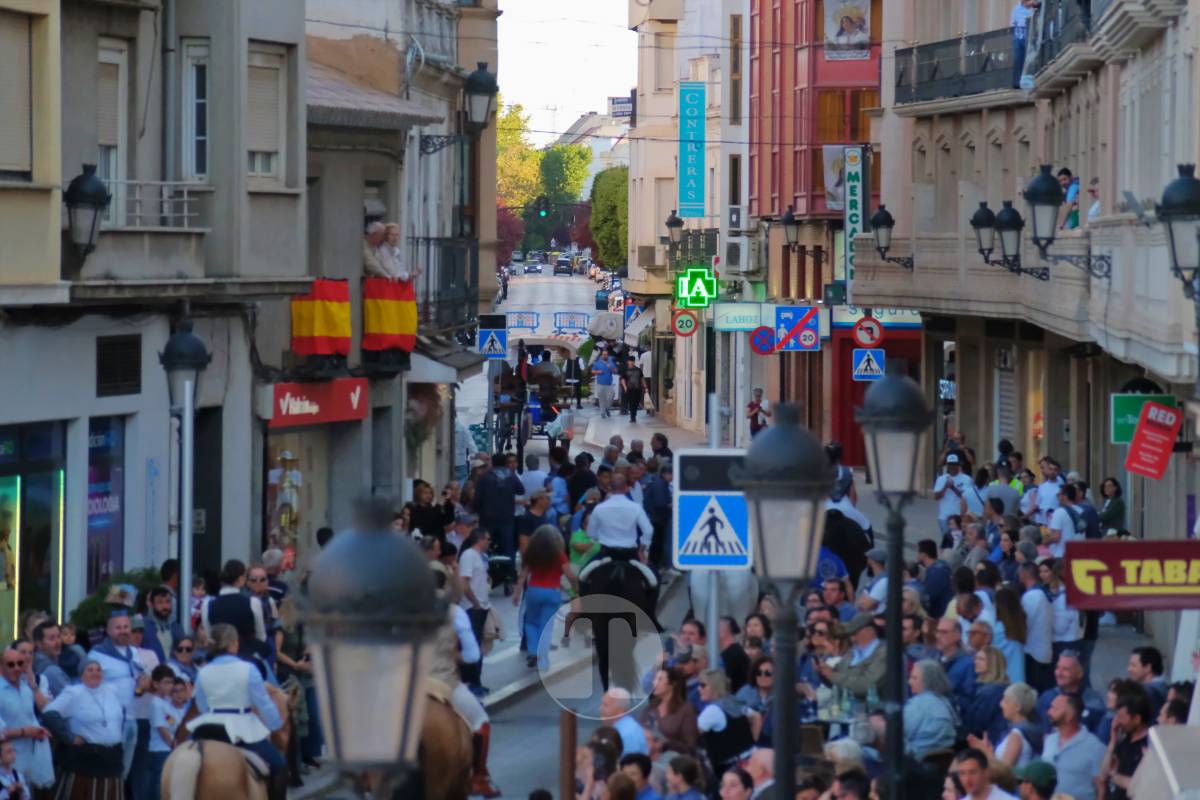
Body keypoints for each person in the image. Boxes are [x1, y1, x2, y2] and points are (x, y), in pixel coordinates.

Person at [187, 624, 286, 800]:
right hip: (242, 727)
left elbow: (202, 706)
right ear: (233, 643)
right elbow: (263, 704)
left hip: (209, 726)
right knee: (279, 765)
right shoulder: (248, 669)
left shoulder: (203, 672)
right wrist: (276, 724)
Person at [42, 657, 126, 799]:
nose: (95, 673)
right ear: (82, 675)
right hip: (86, 759)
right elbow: (49, 714)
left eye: (98, 670)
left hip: (111, 758)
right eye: (90, 670)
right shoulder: (74, 693)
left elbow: (120, 716)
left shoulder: (112, 691)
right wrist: (69, 737)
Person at [513, 525, 577, 670]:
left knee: (530, 622)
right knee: (546, 626)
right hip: (552, 592)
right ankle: (544, 660)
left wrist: (517, 593)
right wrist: (575, 587)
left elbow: (523, 575)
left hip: (534, 590)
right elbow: (570, 575)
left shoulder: (531, 553)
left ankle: (533, 650)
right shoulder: (560, 555)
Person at [0, 646, 51, 792]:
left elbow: (31, 719)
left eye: (20, 663)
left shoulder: (26, 689)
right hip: (5, 764)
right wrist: (24, 732)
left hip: (29, 760)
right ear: (1, 666)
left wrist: (38, 731)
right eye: (11, 664)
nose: (16, 668)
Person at [202, 559, 269, 664]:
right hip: (248, 659)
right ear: (241, 579)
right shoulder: (253, 603)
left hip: (219, 659)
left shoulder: (208, 603)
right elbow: (261, 636)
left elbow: (209, 636)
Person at [1041, 693, 1106, 800]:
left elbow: (1101, 787)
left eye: (1054, 709)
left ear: (1070, 715)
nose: (1048, 712)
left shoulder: (1095, 747)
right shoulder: (1049, 740)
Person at [819, 613, 884, 701]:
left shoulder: (884, 653)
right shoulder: (852, 652)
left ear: (869, 631)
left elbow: (867, 685)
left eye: (855, 633)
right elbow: (836, 674)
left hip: (874, 709)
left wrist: (832, 675)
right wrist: (822, 672)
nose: (852, 639)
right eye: (851, 635)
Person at [458, 528, 493, 695]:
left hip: (482, 606)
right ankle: (471, 681)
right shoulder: (469, 556)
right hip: (473, 607)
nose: (489, 542)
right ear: (479, 539)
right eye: (487, 539)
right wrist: (474, 602)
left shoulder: (479, 557)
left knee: (478, 643)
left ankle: (477, 679)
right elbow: (464, 582)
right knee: (472, 645)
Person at [588, 474, 654, 561]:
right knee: (653, 574)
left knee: (583, 573)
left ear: (610, 487)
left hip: (606, 552)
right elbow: (648, 530)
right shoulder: (636, 507)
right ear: (626, 488)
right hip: (630, 553)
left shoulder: (599, 508)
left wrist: (602, 538)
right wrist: (641, 550)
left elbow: (591, 533)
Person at [904, 660, 959, 759]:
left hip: (913, 760)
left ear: (927, 681)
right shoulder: (945, 703)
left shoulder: (917, 705)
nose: (909, 682)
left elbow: (897, 733)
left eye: (914, 678)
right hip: (939, 762)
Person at [639, 667, 698, 756]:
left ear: (672, 684)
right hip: (649, 757)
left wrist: (665, 744)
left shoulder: (686, 710)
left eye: (660, 679)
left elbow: (690, 744)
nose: (654, 683)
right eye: (655, 678)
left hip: (675, 760)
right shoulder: (650, 708)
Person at [146, 665, 182, 796]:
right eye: (166, 682)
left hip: (169, 750)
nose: (170, 686)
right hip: (161, 751)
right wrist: (176, 747)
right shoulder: (156, 703)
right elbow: (162, 730)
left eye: (172, 682)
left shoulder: (167, 701)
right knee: (159, 787)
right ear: (155, 684)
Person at [934, 454, 972, 536]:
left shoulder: (966, 479)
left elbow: (966, 497)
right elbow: (936, 497)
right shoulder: (941, 479)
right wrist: (945, 487)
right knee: (947, 542)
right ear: (947, 465)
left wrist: (953, 487)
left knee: (959, 542)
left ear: (958, 465)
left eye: (954, 464)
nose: (952, 466)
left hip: (959, 517)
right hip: (944, 517)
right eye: (950, 464)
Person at [31, 621, 70, 698]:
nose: (58, 642)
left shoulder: (35, 662)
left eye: (58, 637)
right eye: (51, 638)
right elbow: (71, 697)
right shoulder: (51, 671)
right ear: (39, 643)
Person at [1127, 646, 1168, 719]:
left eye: (1133, 665)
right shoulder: (1163, 687)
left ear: (1148, 667)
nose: (1129, 669)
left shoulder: (1148, 692)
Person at [592, 350, 618, 418]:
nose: (605, 356)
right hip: (600, 384)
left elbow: (615, 371)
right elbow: (592, 371)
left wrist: (610, 367)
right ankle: (602, 413)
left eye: (606, 354)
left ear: (608, 355)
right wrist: (598, 372)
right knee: (601, 399)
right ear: (601, 355)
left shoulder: (611, 362)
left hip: (609, 384)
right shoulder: (597, 362)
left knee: (611, 397)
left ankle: (607, 408)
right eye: (603, 354)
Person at [622, 356, 646, 423]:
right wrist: (625, 388)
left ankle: (634, 415)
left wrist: (645, 387)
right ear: (628, 362)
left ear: (634, 362)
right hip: (629, 389)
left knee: (636, 402)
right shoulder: (626, 370)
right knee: (631, 403)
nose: (631, 362)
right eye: (630, 361)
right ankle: (632, 417)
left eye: (632, 361)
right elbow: (623, 380)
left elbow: (642, 379)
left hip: (638, 389)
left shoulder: (638, 370)